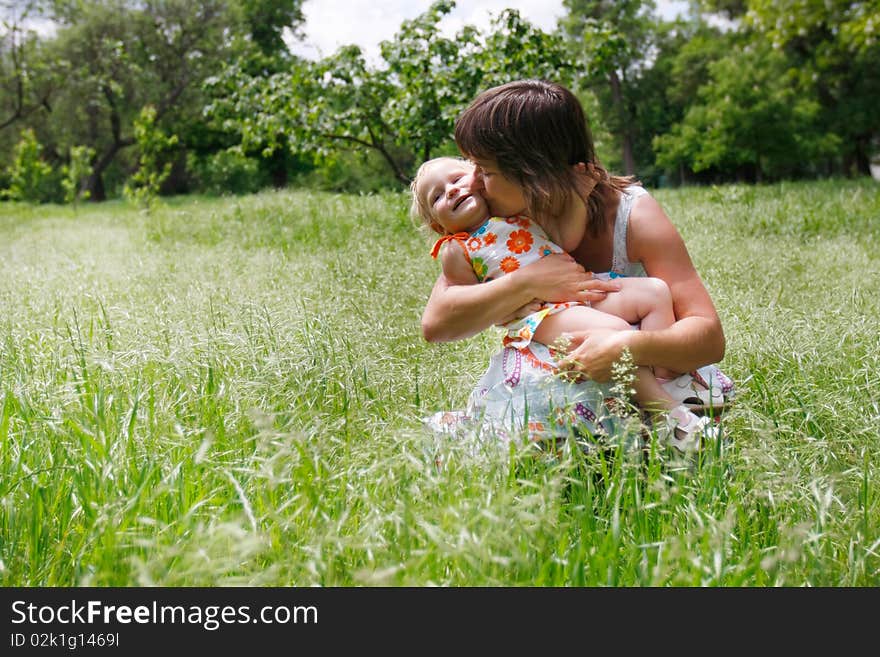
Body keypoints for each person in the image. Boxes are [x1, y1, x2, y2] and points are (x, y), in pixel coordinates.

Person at [420, 80, 734, 445]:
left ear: (534, 174)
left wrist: (625, 349)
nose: (471, 182)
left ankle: (664, 420)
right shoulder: (494, 224)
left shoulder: (632, 215)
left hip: (643, 359)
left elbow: (709, 339)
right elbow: (436, 323)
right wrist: (526, 283)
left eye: (484, 171)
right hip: (558, 375)